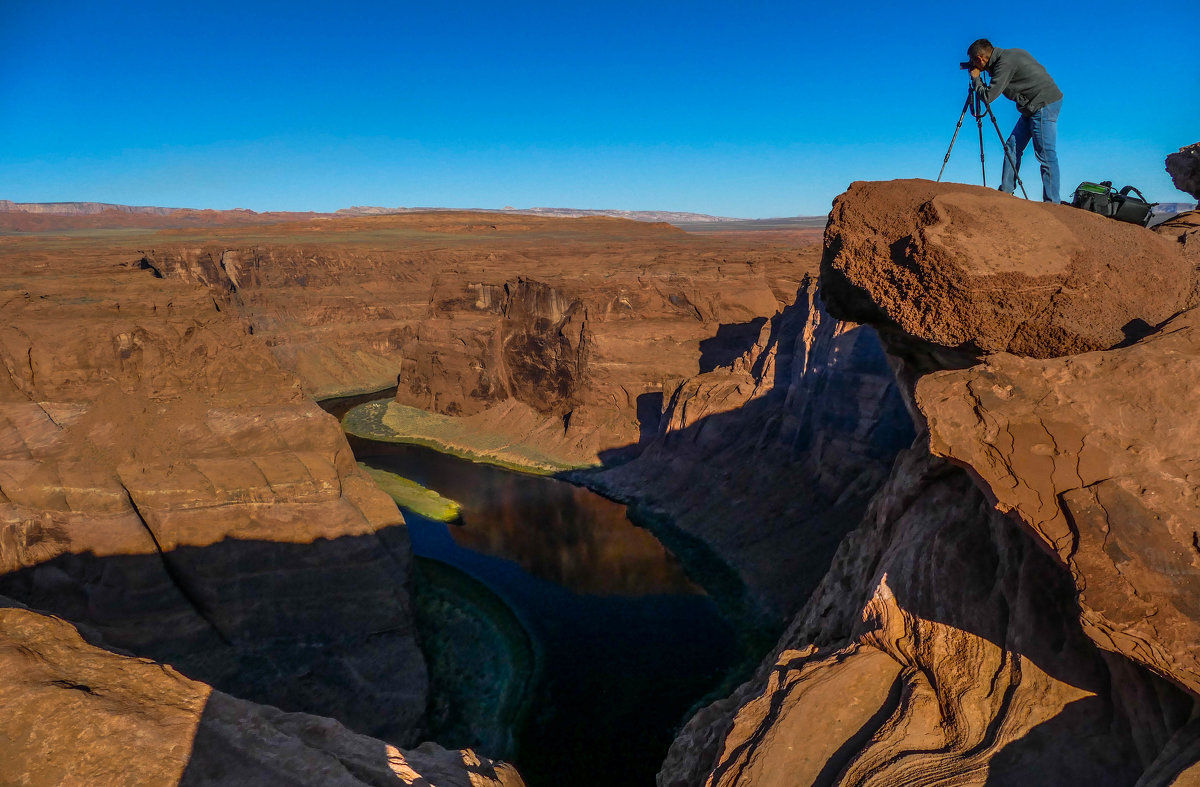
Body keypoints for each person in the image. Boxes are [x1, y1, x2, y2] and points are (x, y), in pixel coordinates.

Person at [966, 39, 1063, 203]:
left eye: (972, 60)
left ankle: (1053, 203)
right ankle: (1006, 192)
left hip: (1043, 104)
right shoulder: (1006, 57)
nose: (971, 64)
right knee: (1012, 146)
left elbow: (988, 96)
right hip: (1030, 107)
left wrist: (976, 79)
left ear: (980, 59)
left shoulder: (1005, 63)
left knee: (1045, 153)